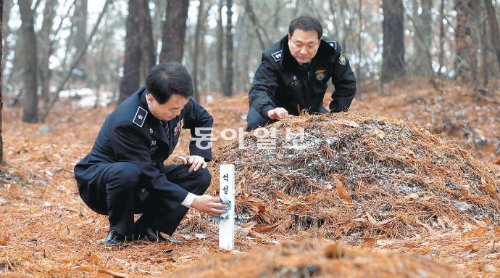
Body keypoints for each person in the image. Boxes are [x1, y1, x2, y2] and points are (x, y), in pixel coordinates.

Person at [74, 62, 227, 247]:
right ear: (150, 98)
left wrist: (199, 154)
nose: (179, 113)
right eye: (173, 109)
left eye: (182, 107)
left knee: (199, 174)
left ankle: (150, 229)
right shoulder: (128, 122)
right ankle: (120, 232)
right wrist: (193, 201)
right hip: (104, 188)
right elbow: (147, 175)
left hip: (146, 178)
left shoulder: (177, 100)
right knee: (127, 171)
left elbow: (203, 119)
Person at [247, 15, 357, 130]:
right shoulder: (274, 56)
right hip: (276, 108)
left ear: (319, 42)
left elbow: (346, 83)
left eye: (310, 45)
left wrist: (336, 114)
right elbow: (260, 88)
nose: (304, 51)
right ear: (289, 38)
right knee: (256, 124)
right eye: (298, 44)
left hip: (312, 109)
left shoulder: (330, 50)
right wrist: (269, 110)